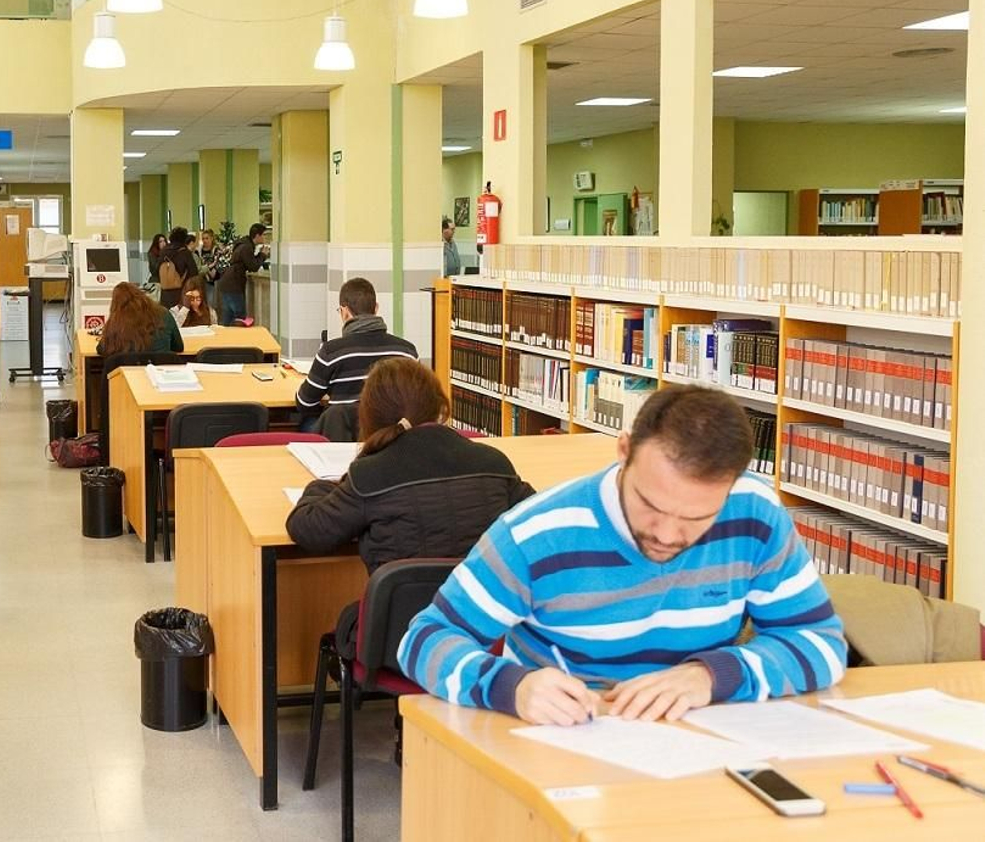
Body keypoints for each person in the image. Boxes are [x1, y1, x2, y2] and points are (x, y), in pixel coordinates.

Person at [398, 386, 847, 727]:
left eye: (698, 517)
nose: (669, 536)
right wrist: (510, 687)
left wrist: (712, 676)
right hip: (567, 740)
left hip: (695, 741)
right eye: (651, 506)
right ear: (623, 451)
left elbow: (821, 644)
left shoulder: (754, 515)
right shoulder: (537, 534)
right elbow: (423, 640)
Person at [288, 357, 530, 575]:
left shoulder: (369, 477)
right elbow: (538, 516)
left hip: (402, 623)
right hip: (485, 620)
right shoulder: (494, 463)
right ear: (440, 407)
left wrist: (318, 487)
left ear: (369, 416)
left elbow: (308, 530)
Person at [294, 278, 418, 432]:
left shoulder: (331, 352)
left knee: (305, 422)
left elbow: (304, 403)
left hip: (341, 437)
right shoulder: (408, 352)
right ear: (376, 308)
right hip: (392, 438)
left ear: (345, 312)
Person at [96, 282, 183, 357]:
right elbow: (178, 347)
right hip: (160, 372)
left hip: (126, 373)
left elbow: (102, 349)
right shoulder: (163, 314)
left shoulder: (116, 321)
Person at [217, 222, 268, 324]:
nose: (265, 237)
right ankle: (237, 338)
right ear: (257, 235)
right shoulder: (246, 247)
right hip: (233, 285)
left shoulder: (243, 244)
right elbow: (253, 266)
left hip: (227, 283)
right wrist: (262, 255)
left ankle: (227, 338)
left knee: (228, 317)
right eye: (264, 235)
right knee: (239, 316)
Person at [157, 226, 199, 310]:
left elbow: (157, 269)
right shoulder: (185, 252)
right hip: (180, 292)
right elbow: (194, 272)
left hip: (165, 292)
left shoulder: (163, 251)